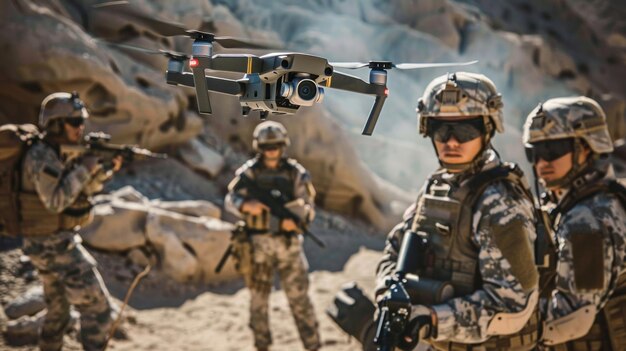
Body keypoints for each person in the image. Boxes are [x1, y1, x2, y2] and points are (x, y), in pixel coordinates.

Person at [375, 72, 540, 350]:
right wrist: (388, 292)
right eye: (441, 129)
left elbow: (513, 303)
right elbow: (394, 249)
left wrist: (434, 319)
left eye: (465, 130)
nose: (451, 142)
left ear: (487, 130)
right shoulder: (436, 186)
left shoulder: (500, 202)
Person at [19, 92, 122, 351]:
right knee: (98, 310)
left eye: (81, 121)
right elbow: (56, 201)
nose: (80, 127)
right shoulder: (41, 155)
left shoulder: (57, 152)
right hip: (53, 245)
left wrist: (103, 171)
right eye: (74, 121)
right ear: (56, 123)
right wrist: (84, 167)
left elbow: (81, 192)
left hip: (46, 243)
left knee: (58, 312)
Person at [523, 96, 626, 350]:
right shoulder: (569, 203)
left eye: (553, 150)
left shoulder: (588, 219)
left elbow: (571, 317)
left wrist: (497, 316)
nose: (542, 162)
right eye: (534, 153)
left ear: (587, 148)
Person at [224, 121, 321, 351]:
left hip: (288, 246)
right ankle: (262, 345)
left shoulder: (295, 173)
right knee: (258, 301)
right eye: (267, 147)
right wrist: (246, 205)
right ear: (259, 147)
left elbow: (308, 208)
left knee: (300, 300)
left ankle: (313, 345)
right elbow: (230, 199)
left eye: (275, 146)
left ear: (283, 146)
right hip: (259, 246)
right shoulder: (249, 172)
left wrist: (296, 221)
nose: (271, 151)